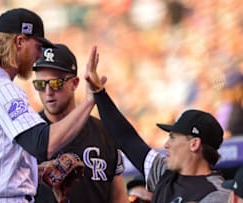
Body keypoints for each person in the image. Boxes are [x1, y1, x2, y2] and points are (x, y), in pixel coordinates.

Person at [0, 8, 97, 203]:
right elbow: (42, 145)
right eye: (38, 47)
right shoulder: (1, 88)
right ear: (20, 41)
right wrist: (90, 99)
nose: (40, 55)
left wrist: (32, 171)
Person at [84, 47, 230, 203]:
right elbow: (127, 139)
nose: (166, 145)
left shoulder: (217, 194)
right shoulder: (164, 174)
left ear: (194, 143)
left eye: (173, 138)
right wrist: (99, 93)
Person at [32, 44, 127, 203]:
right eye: (40, 84)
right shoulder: (27, 133)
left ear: (75, 83)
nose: (48, 92)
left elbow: (118, 197)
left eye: (56, 83)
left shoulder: (103, 132)